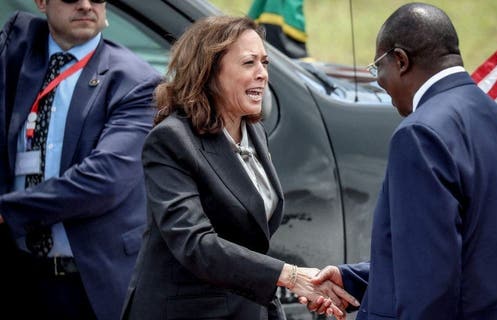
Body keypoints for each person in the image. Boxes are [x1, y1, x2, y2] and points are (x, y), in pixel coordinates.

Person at [302, 3, 497, 319]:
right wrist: (355, 279)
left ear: (401, 61)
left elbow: (429, 279)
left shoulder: (419, 134)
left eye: (378, 66)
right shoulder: (496, 116)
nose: (379, 80)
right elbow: (476, 247)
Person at [120, 15, 355, 320]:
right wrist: (290, 275)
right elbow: (195, 244)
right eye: (249, 63)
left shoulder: (253, 131)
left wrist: (295, 289)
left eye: (265, 63)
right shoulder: (170, 140)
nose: (262, 74)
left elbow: (250, 241)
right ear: (210, 71)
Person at [0, 0, 162, 319]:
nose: (86, 5)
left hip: (91, 285)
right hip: (20, 272)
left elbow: (105, 181)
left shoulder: (136, 81)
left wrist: (7, 211)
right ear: (42, 2)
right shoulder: (15, 57)